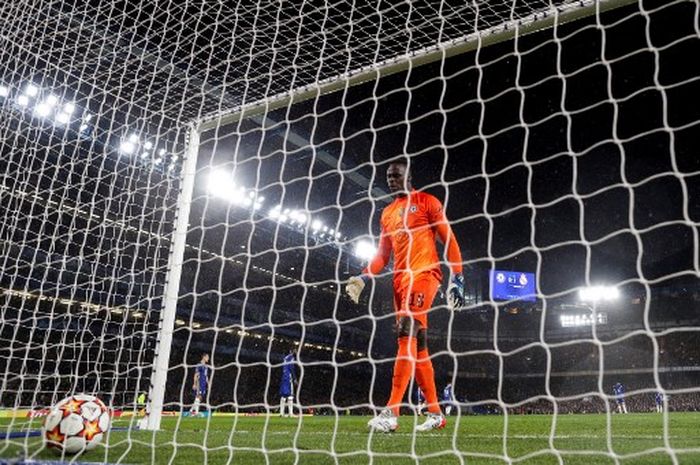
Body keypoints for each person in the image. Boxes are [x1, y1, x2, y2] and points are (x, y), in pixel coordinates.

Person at [346, 159, 465, 433]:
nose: (391, 179)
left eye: (396, 175)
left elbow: (450, 240)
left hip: (425, 275)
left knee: (405, 332)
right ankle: (435, 413)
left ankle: (391, 411)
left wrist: (458, 277)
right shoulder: (387, 213)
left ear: (409, 176)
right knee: (418, 345)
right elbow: (382, 256)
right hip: (400, 280)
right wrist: (364, 277)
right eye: (388, 176)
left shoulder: (427, 202)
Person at [280, 350, 297, 417]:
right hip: (288, 377)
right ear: (291, 352)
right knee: (290, 395)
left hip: (283, 377)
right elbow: (292, 368)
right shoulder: (291, 357)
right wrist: (294, 378)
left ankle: (281, 413)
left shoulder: (285, 358)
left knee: (283, 395)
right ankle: (291, 413)